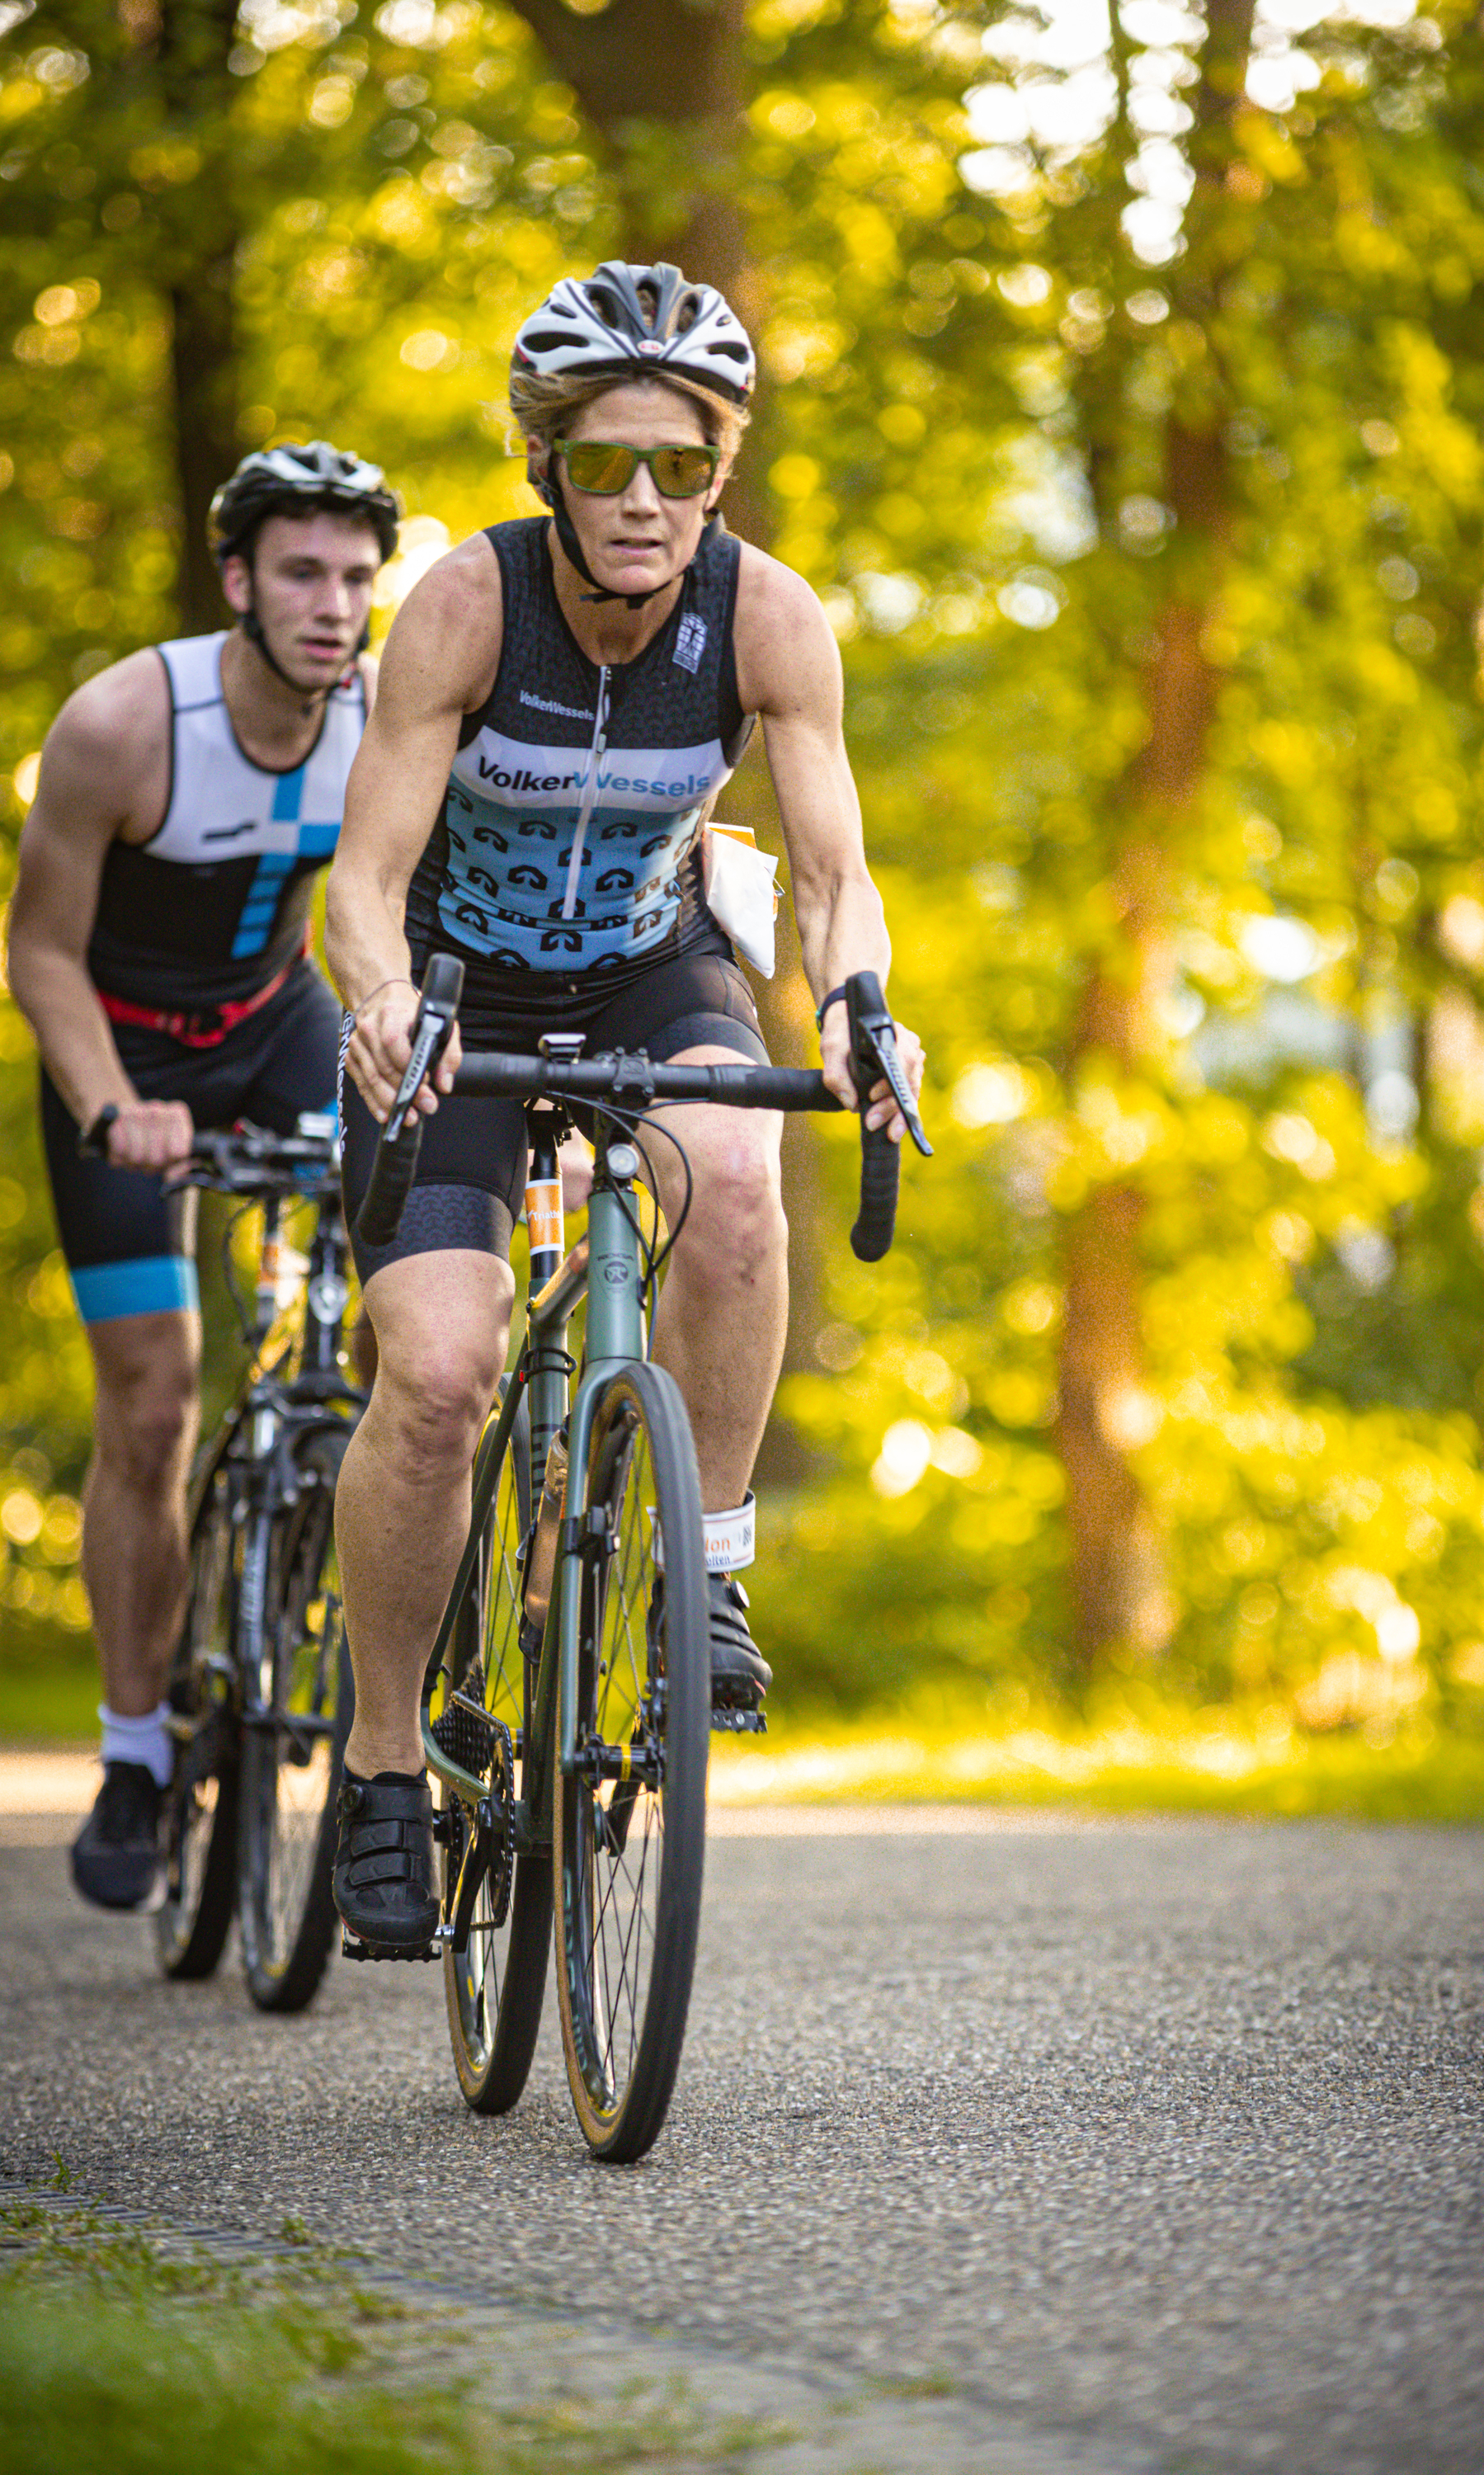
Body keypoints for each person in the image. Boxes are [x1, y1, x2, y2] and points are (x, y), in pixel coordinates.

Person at [326, 261, 924, 1952]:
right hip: (459, 999)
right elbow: (359, 881)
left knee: (738, 1175)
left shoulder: (766, 616)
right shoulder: (462, 604)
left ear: (721, 468)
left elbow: (831, 875)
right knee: (437, 1378)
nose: (645, 500)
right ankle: (382, 1772)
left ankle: (706, 1569)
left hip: (654, 976)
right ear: (546, 470)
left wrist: (865, 1009)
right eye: (605, 465)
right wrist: (380, 1002)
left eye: (682, 462)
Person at [7, 442, 400, 1911]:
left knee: (425, 1298)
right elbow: (38, 951)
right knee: (156, 1394)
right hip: (120, 1060)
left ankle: (353, 1559)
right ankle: (132, 1750)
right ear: (238, 581)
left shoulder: (380, 717)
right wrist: (116, 1112)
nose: (334, 605)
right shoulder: (125, 722)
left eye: (358, 579)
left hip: (275, 1024)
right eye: (302, 572)